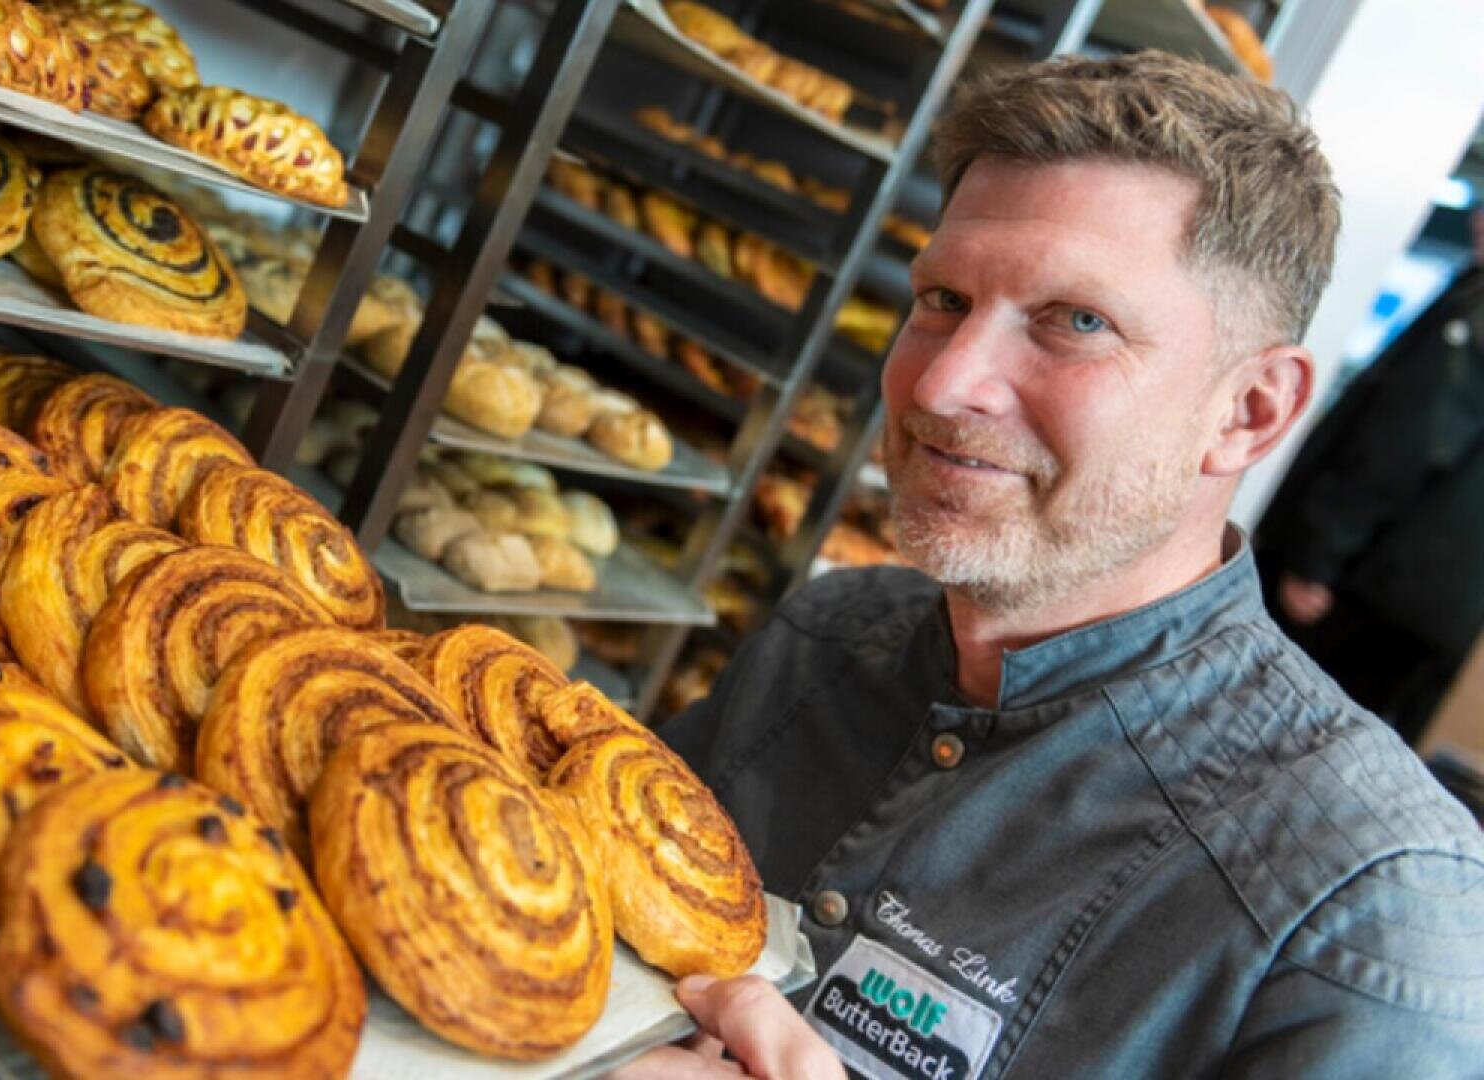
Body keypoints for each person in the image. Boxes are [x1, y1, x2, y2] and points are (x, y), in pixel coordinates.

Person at [619, 51, 1484, 1080]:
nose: (946, 383)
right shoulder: (822, 641)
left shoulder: (1366, 909)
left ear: (1249, 412)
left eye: (1077, 322)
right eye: (941, 298)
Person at [1256, 207, 1484, 748]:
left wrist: (1317, 557)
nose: (1478, 217)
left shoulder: (1475, 316)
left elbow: (1405, 442)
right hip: (1433, 614)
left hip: (1366, 594)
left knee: (1264, 735)